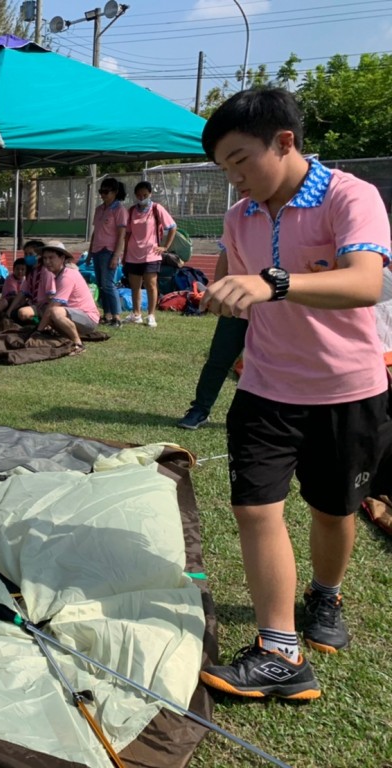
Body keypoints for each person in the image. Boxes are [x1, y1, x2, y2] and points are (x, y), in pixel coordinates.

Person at [196, 88, 391, 701]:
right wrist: (228, 298)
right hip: (266, 386)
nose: (236, 181)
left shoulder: (350, 196)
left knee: (333, 512)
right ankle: (279, 650)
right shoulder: (239, 217)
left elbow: (366, 283)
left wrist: (272, 283)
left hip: (347, 389)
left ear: (285, 142)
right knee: (255, 509)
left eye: (240, 161)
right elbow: (241, 285)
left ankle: (325, 595)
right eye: (225, 169)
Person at [177, 247, 249, 430]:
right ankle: (199, 409)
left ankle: (261, 416)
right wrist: (218, 291)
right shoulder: (238, 219)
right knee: (219, 359)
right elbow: (225, 254)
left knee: (270, 364)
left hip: (274, 309)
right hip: (235, 306)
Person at [123, 181, 177, 328]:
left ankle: (151, 315)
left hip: (151, 254)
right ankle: (136, 314)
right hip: (133, 254)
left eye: (145, 195)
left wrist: (165, 247)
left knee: (151, 285)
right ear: (135, 195)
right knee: (135, 286)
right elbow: (127, 234)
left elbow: (172, 227)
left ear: (150, 194)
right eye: (139, 195)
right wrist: (124, 253)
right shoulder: (131, 210)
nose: (142, 197)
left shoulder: (156, 208)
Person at [34, 242, 100, 355]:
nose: (47, 261)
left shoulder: (67, 276)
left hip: (88, 319)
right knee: (46, 309)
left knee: (54, 311)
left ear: (62, 258)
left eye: (51, 258)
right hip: (76, 315)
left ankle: (78, 344)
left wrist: (38, 331)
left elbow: (53, 307)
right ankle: (64, 336)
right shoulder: (59, 275)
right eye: (45, 258)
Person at [88, 177, 127, 327]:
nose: (103, 194)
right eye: (101, 191)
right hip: (97, 250)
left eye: (106, 191)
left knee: (108, 284)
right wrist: (90, 252)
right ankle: (107, 314)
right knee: (100, 284)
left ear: (115, 192)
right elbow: (95, 231)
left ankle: (117, 316)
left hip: (109, 251)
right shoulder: (99, 209)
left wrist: (116, 255)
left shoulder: (119, 210)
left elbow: (122, 234)